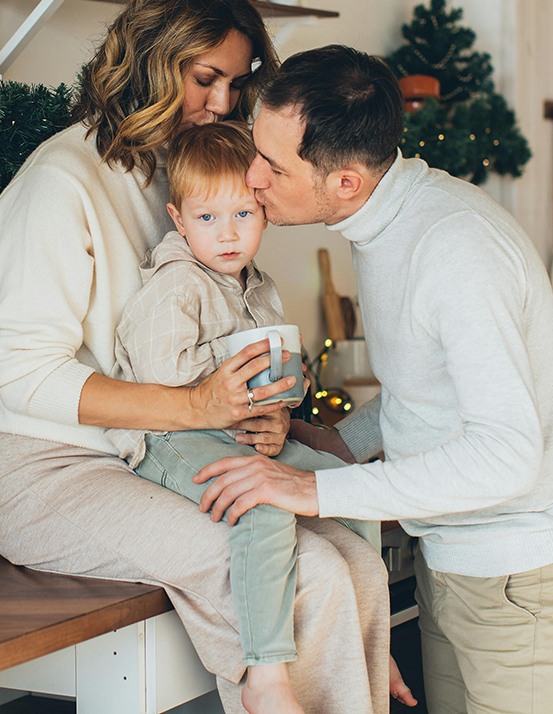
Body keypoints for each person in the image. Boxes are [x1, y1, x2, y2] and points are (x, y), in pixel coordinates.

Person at [0, 0, 393, 714]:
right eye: (208, 79)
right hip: (53, 477)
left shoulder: (183, 175)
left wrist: (259, 414)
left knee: (352, 552)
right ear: (150, 57)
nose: (224, 104)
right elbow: (23, 378)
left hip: (156, 457)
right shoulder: (58, 183)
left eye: (237, 84)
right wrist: (200, 406)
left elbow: (214, 342)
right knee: (306, 571)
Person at [196, 45, 553, 714]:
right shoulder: (386, 222)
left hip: (521, 579)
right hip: (453, 565)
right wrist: (338, 442)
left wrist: (314, 488)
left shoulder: (454, 248)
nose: (253, 178)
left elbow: (505, 457)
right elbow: (428, 392)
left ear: (347, 183)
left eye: (273, 165)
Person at [107, 120, 381, 714]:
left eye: (242, 216)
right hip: (172, 436)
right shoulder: (176, 285)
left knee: (351, 487)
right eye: (207, 219)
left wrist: (286, 395)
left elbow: (280, 384)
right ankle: (265, 674)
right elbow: (160, 380)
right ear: (179, 221)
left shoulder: (259, 286)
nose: (227, 234)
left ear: (263, 211)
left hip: (240, 430)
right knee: (261, 508)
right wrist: (239, 367)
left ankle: (372, 652)